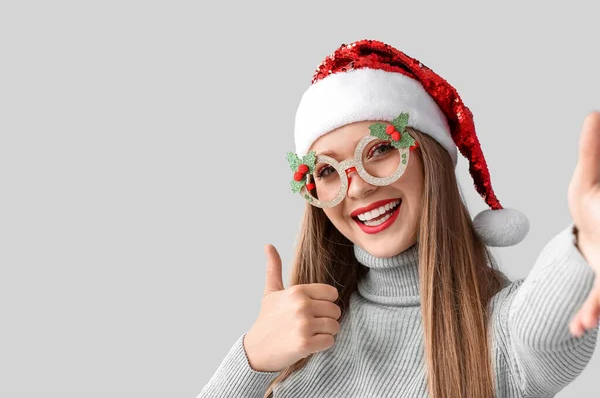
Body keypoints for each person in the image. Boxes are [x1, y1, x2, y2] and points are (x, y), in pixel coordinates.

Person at [198, 39, 600, 397]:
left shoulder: (504, 336)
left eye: (378, 151)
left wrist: (584, 245)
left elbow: (550, 322)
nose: (356, 188)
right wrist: (252, 361)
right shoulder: (295, 334)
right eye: (326, 171)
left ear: (430, 157)